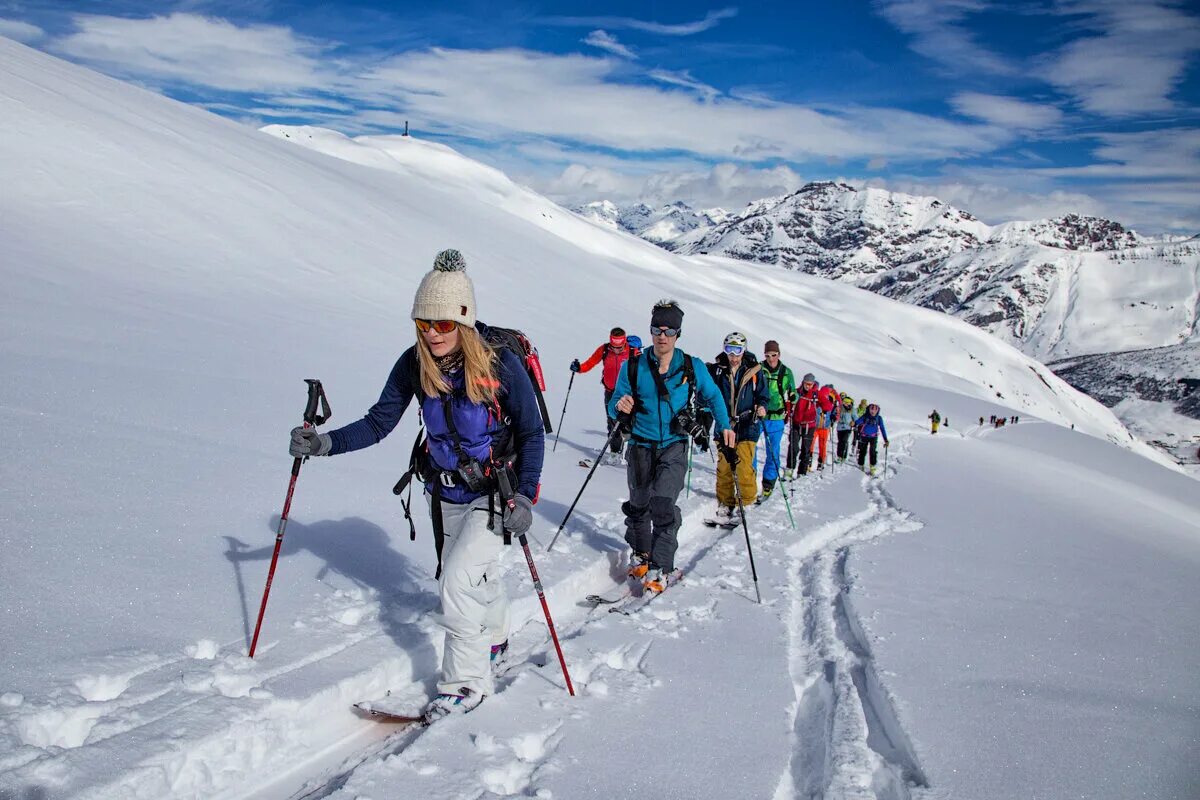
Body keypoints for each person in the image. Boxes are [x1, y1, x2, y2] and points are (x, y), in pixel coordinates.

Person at [288, 250, 544, 720]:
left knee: (458, 580)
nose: (432, 333)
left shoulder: (499, 364)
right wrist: (323, 443)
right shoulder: (414, 363)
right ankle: (495, 639)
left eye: (443, 324)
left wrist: (526, 494)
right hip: (443, 492)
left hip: (495, 491)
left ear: (463, 322)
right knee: (473, 576)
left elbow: (530, 431)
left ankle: (466, 683)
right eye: (424, 323)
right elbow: (377, 423)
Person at [610, 300, 733, 593]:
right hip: (640, 444)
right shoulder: (634, 366)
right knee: (639, 505)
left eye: (668, 330)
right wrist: (620, 406)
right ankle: (641, 553)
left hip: (674, 445)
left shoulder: (692, 366)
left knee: (663, 503)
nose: (661, 336)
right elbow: (615, 402)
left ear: (678, 334)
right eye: (657, 329)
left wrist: (725, 426)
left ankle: (661, 565)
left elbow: (714, 397)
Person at [707, 332, 769, 520]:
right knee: (725, 465)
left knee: (743, 465)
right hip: (724, 423)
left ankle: (746, 500)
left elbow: (763, 395)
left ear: (744, 350)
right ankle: (726, 501)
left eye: (737, 351)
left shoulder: (755, 371)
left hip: (747, 423)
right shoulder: (717, 370)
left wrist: (762, 406)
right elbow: (708, 392)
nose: (733, 356)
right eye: (729, 351)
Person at [572, 327, 631, 464]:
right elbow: (591, 362)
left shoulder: (633, 352)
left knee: (630, 423)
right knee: (612, 423)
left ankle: (633, 452)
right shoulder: (604, 350)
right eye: (614, 347)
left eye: (620, 347)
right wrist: (579, 368)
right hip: (610, 392)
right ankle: (615, 453)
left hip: (628, 394)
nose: (616, 350)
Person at [757, 340, 795, 498]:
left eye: (774, 355)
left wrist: (793, 396)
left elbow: (793, 391)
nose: (771, 358)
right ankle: (750, 481)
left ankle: (768, 483)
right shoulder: (758, 368)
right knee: (750, 448)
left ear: (779, 354)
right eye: (767, 355)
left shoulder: (786, 372)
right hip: (759, 415)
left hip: (777, 417)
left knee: (773, 451)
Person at [787, 373, 821, 477]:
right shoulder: (797, 392)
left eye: (810, 384)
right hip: (796, 423)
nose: (808, 386)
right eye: (806, 383)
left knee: (806, 449)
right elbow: (789, 403)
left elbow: (827, 406)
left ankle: (802, 471)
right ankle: (790, 469)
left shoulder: (816, 394)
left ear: (813, 384)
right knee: (793, 447)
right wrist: (788, 412)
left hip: (809, 426)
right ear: (803, 382)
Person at [855, 402, 889, 476]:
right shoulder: (865, 416)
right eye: (871, 410)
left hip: (873, 437)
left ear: (877, 411)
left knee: (872, 451)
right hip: (864, 436)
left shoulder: (879, 418)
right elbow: (858, 421)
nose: (873, 412)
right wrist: (854, 423)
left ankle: (872, 466)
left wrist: (885, 439)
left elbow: (882, 429)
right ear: (869, 410)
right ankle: (861, 465)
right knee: (863, 451)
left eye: (875, 410)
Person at [815, 383, 840, 469]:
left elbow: (836, 412)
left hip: (825, 426)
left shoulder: (833, 400)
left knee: (822, 444)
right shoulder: (817, 400)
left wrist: (834, 417)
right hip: (815, 426)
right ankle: (810, 460)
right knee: (812, 444)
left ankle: (821, 461)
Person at [836, 393, 858, 463]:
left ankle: (843, 456)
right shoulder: (839, 407)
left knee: (844, 441)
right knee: (840, 442)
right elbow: (834, 413)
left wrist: (854, 423)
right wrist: (833, 417)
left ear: (850, 402)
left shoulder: (852, 409)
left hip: (847, 427)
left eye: (847, 402)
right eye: (844, 402)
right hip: (839, 427)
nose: (845, 403)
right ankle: (839, 456)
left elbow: (856, 418)